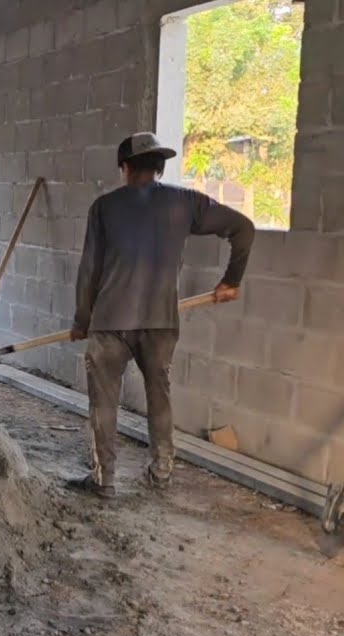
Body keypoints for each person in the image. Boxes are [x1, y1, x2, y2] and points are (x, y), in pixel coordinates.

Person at [68, 131, 254, 499]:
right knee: (159, 395)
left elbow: (89, 270)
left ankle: (104, 480)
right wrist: (231, 280)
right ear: (159, 167)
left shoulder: (104, 208)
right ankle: (162, 472)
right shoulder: (185, 202)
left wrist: (81, 320)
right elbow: (244, 229)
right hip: (161, 321)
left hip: (111, 322)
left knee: (104, 402)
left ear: (124, 167)